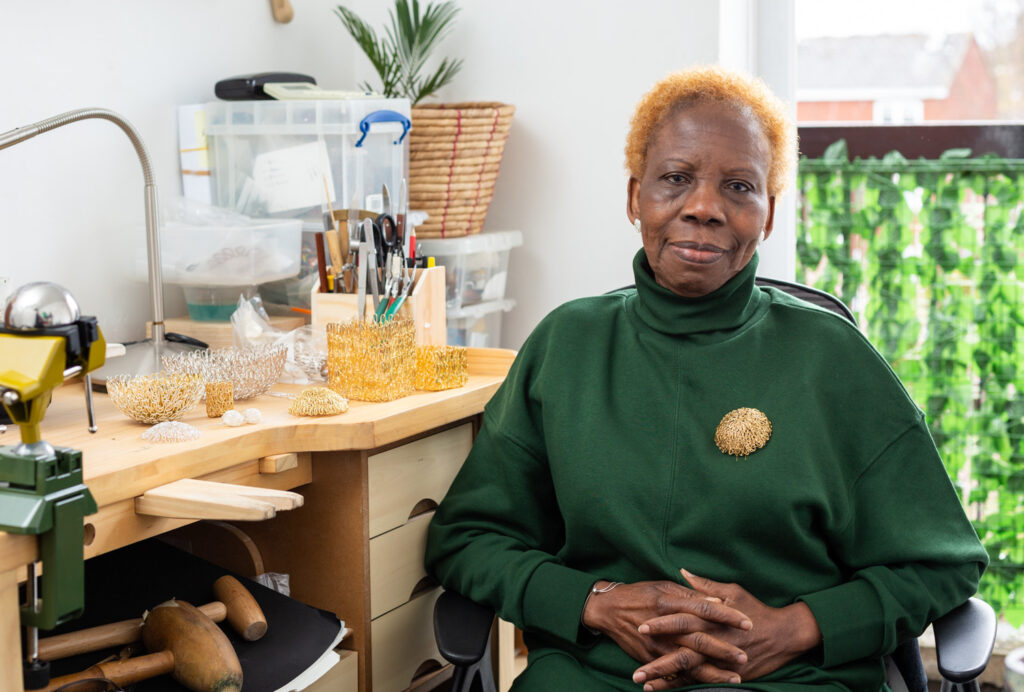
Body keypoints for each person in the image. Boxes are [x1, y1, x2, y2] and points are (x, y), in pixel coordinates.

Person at [424, 65, 987, 691]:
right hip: (598, 675)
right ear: (635, 197)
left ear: (767, 214)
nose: (703, 208)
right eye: (676, 179)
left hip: (794, 679)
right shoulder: (567, 345)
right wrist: (596, 601)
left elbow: (942, 564)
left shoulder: (835, 359)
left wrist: (796, 627)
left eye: (739, 186)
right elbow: (468, 538)